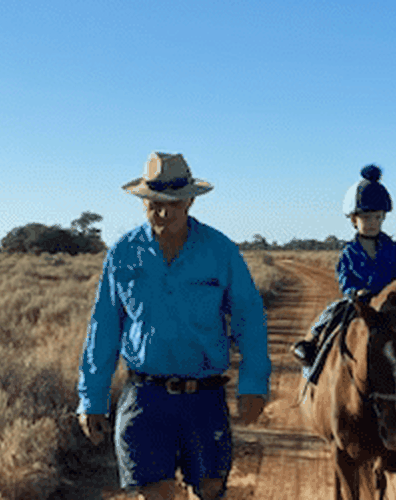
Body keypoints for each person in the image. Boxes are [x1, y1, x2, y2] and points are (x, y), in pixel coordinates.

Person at [77, 152, 270, 500]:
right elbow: (103, 327)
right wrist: (91, 398)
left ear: (191, 200)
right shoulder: (123, 254)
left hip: (204, 397)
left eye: (174, 204)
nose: (164, 212)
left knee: (209, 491)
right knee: (153, 494)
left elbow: (249, 318)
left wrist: (253, 385)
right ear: (143, 201)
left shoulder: (220, 251)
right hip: (145, 399)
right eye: (154, 203)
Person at [290, 164, 396, 369]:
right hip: (359, 302)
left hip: (388, 301)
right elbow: (345, 276)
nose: (372, 222)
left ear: (383, 217)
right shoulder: (349, 251)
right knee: (332, 312)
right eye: (365, 217)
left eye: (377, 217)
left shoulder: (392, 249)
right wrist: (354, 292)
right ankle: (310, 348)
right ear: (354, 220)